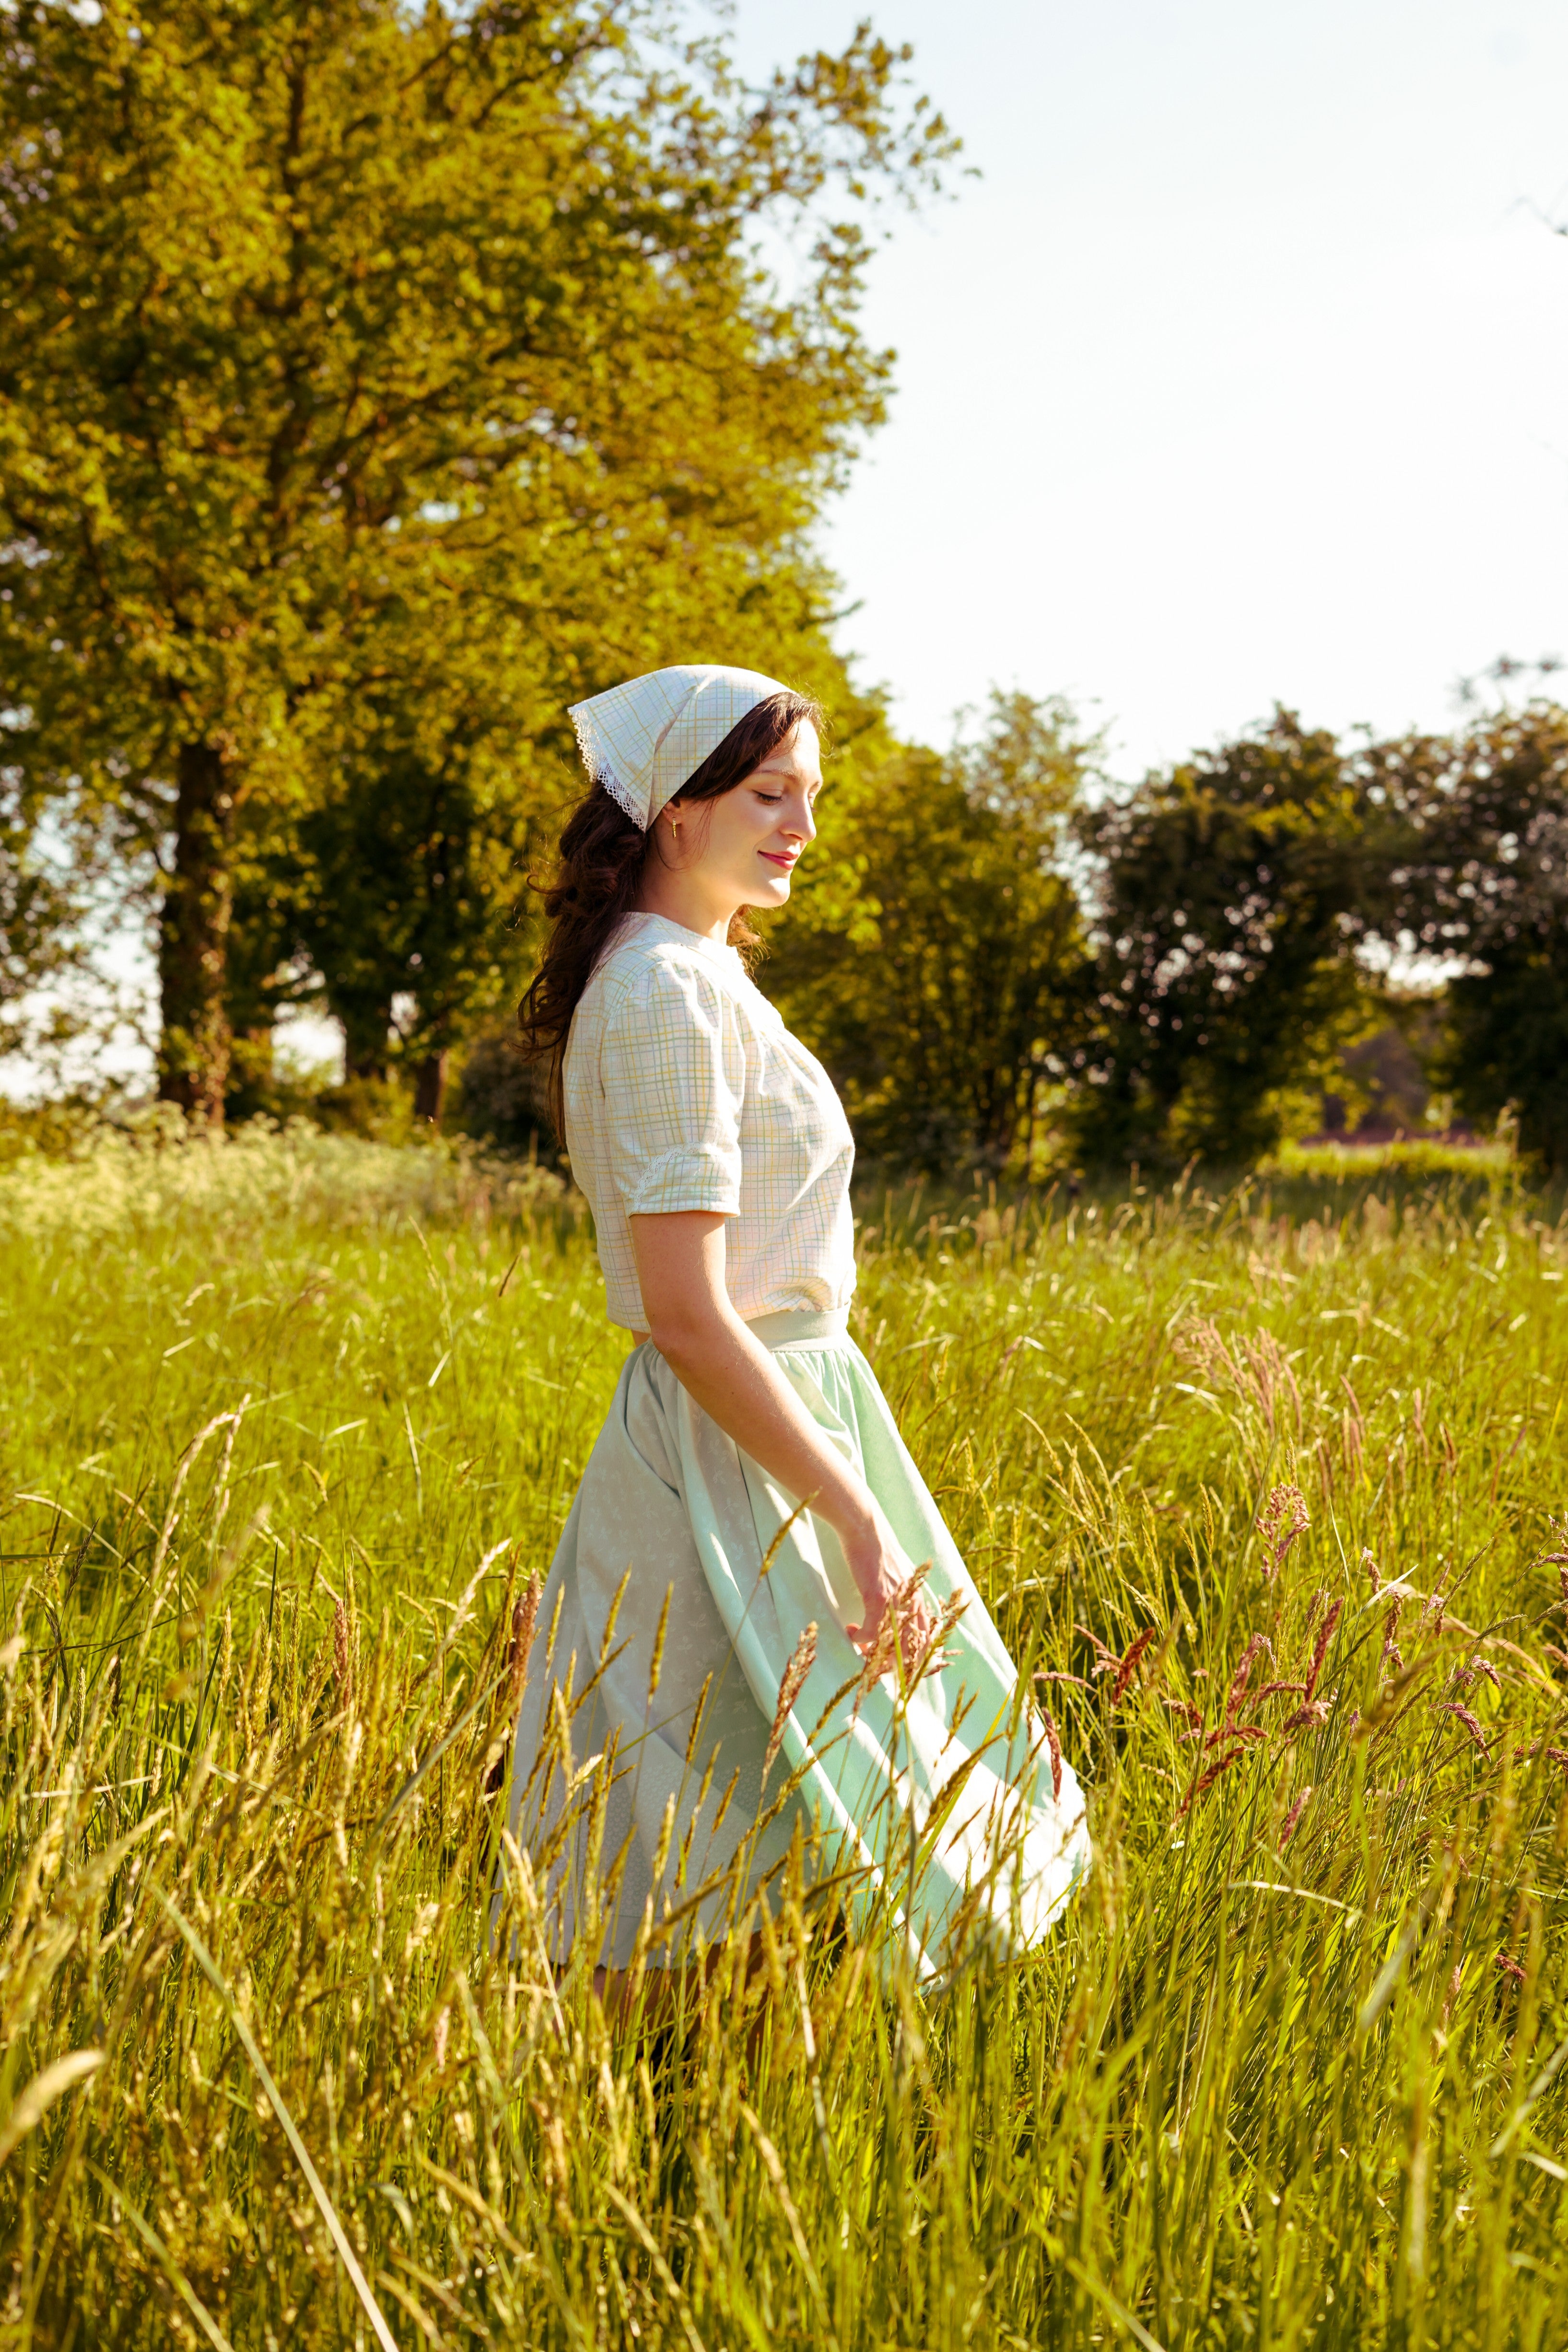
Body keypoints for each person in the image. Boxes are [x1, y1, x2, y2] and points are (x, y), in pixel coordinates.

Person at [507, 664, 1087, 1993]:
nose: (802, 830)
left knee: (788, 1836)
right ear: (674, 808)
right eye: (772, 794)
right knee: (719, 1861)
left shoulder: (696, 975)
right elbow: (690, 1313)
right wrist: (852, 1509)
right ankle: (676, 2156)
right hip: (738, 1447)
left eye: (809, 798)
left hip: (773, 1422)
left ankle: (739, 2134)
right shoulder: (666, 991)